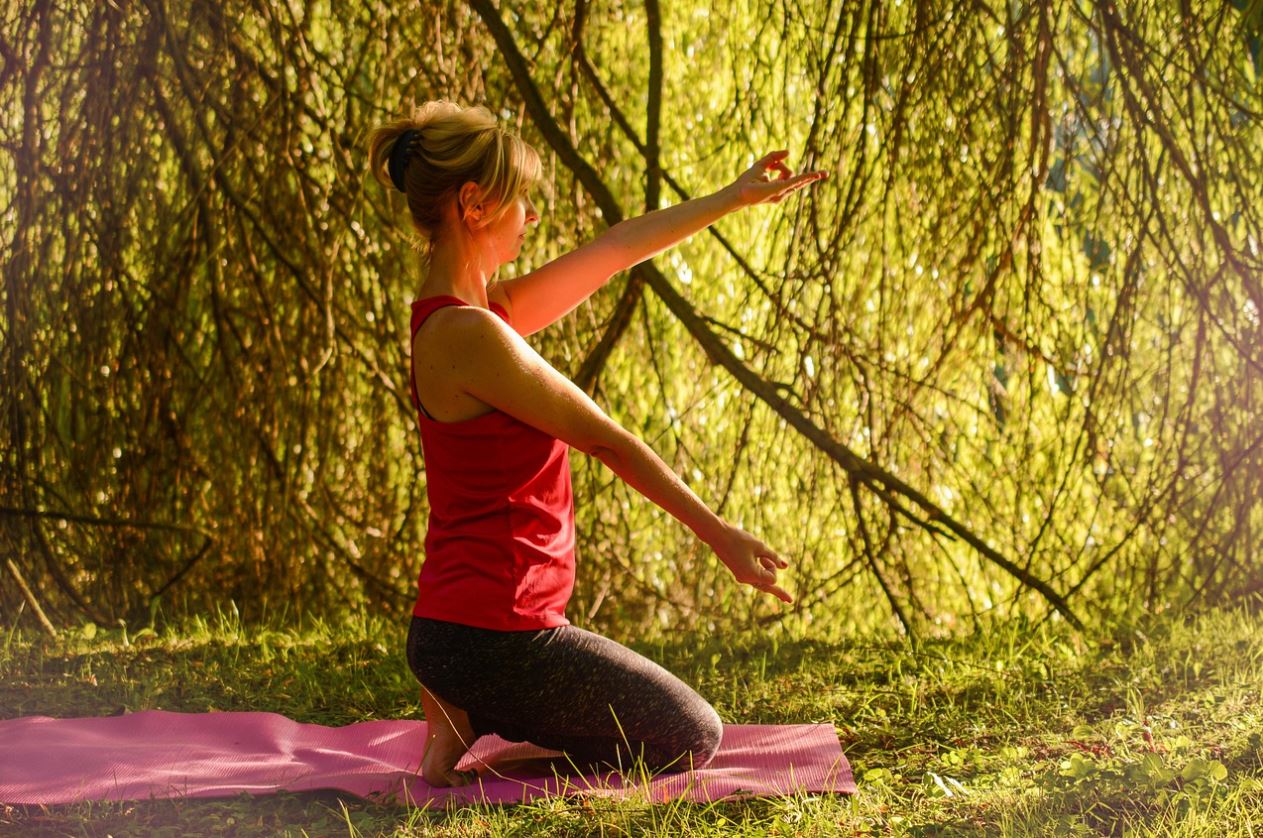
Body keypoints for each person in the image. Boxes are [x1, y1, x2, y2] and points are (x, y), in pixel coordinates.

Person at [367, 100, 828, 787]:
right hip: (497, 639)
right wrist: (718, 535)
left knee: (660, 725)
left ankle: (458, 715)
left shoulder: (478, 316)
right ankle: (479, 728)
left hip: (462, 632)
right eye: (521, 198)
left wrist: (732, 198)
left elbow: (616, 249)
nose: (533, 215)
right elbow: (608, 442)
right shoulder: (472, 335)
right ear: (473, 204)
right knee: (689, 736)